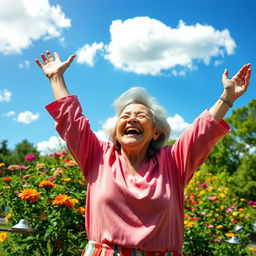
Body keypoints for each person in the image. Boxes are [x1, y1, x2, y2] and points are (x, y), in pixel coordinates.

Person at [35, 51, 251, 256]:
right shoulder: (98, 155)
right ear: (116, 132)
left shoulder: (173, 161)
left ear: (156, 132)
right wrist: (56, 78)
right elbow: (72, 121)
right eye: (125, 115)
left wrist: (227, 97)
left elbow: (202, 131)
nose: (132, 119)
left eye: (141, 115)